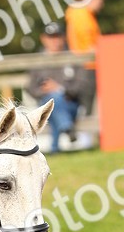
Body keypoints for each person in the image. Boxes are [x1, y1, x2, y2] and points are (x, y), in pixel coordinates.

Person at [25, 22, 90, 152]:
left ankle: (56, 146)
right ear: (43, 38)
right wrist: (44, 90)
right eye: (51, 37)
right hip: (46, 105)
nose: (54, 41)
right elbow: (30, 88)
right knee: (52, 102)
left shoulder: (73, 58)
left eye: (57, 36)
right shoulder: (37, 61)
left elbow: (81, 86)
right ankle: (66, 128)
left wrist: (60, 89)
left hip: (70, 104)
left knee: (55, 101)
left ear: (63, 37)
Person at [65, 0, 103, 115]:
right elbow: (87, 44)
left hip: (86, 66)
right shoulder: (81, 14)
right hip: (86, 66)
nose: (101, 3)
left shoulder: (82, 14)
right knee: (87, 109)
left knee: (88, 108)